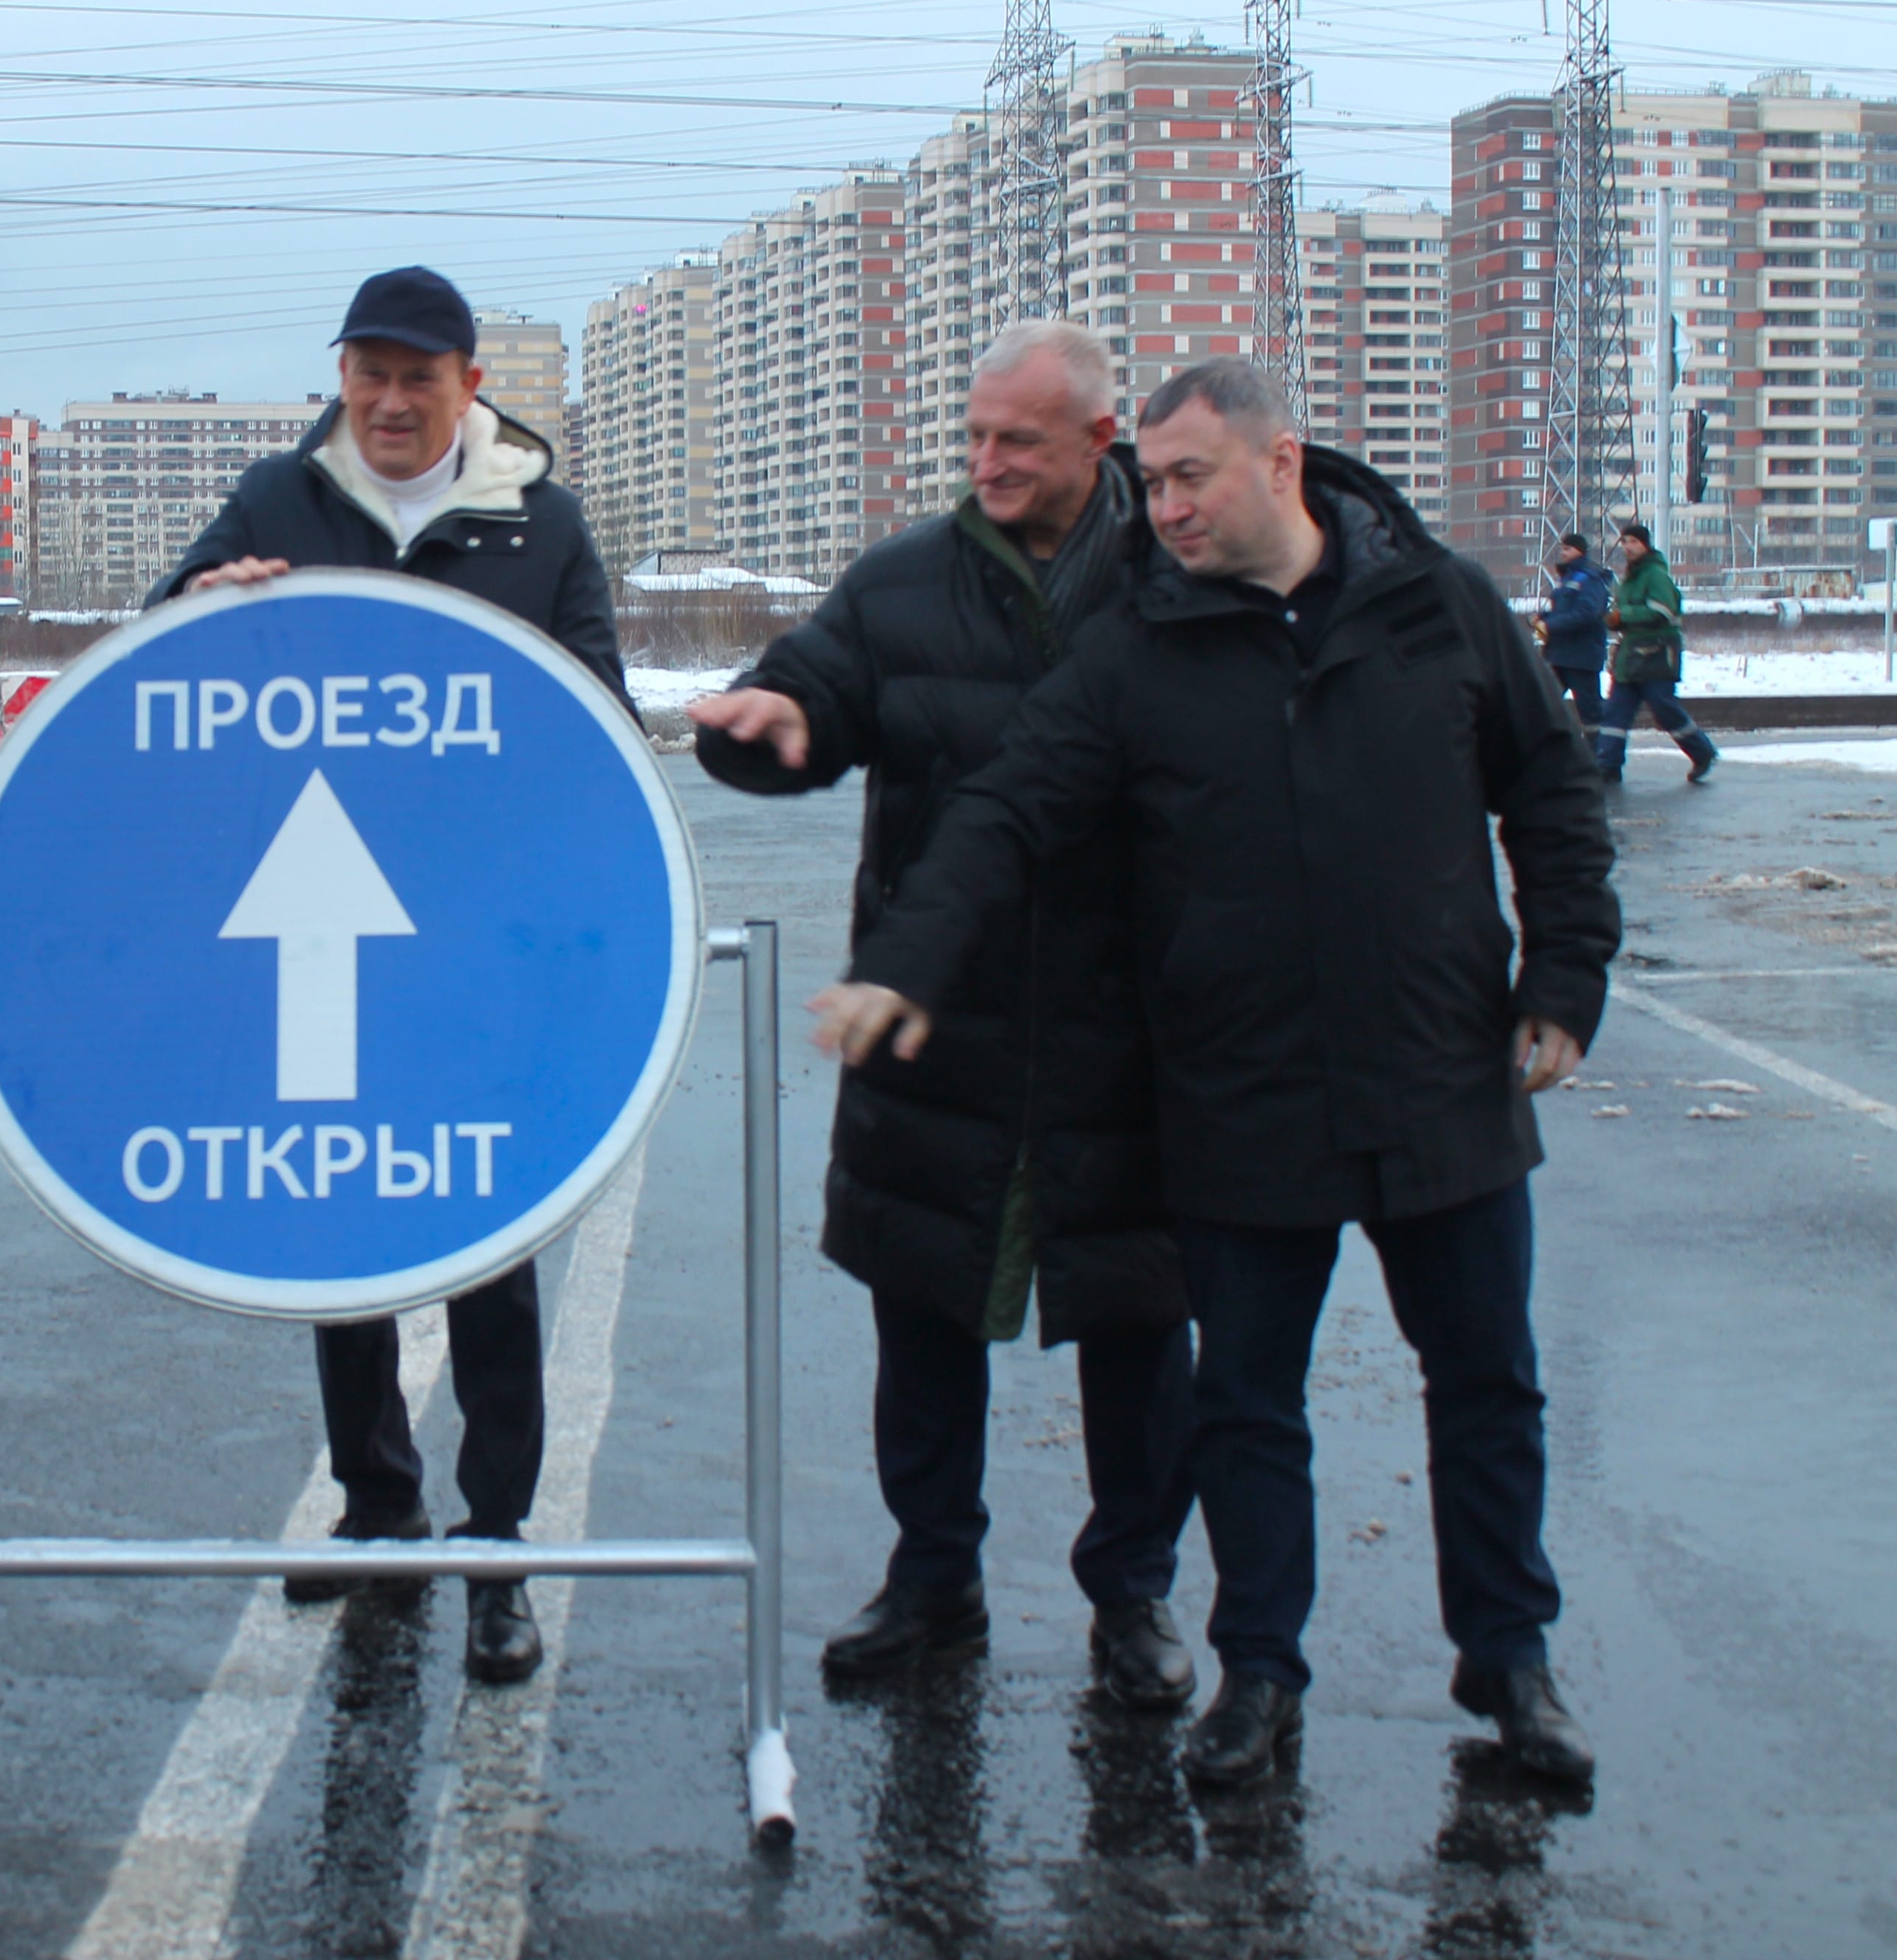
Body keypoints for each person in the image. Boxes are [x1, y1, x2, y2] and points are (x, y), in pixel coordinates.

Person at [828, 359, 1616, 1787]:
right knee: (1248, 1405)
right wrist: (907, 958)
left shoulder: (1438, 606)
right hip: (1237, 1092)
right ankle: (1259, 1671)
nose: (1166, 508)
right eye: (1152, 482)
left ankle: (1510, 1657)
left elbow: (1550, 786)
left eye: (1189, 477)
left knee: (1487, 1383)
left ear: (1281, 463)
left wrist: (1563, 976)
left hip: (1440, 1075)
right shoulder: (1139, 649)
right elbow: (1005, 811)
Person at [689, 320, 1196, 1709]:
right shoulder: (903, 580)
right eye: (973, 437)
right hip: (932, 1013)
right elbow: (814, 687)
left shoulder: (1176, 579)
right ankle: (932, 1580)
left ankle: (1134, 1592)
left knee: (1140, 1321)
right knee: (922, 1312)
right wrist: (771, 726)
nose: (986, 463)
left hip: (1130, 1026)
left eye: (1018, 441)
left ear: (1101, 443)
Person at [149, 265, 618, 1689]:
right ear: (341, 377)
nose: (393, 400)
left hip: (474, 945)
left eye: (421, 375)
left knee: (486, 1244)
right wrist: (200, 601)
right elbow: (161, 647)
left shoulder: (538, 521)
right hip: (320, 931)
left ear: (470, 385)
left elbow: (594, 715)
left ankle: (496, 1546)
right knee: (340, 1227)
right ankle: (376, 1506)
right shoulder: (277, 499)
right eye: (371, 372)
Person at [1594, 521, 1715, 783]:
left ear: (1646, 545)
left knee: (1664, 708)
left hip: (1657, 654)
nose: (1628, 547)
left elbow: (1664, 610)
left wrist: (1624, 615)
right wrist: (1614, 620)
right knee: (1616, 711)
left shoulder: (1655, 575)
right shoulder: (1629, 578)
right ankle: (1608, 765)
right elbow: (1626, 612)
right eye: (1624, 542)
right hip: (1630, 657)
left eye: (1634, 542)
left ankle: (1702, 752)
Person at [1535, 532, 1610, 719]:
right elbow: (1563, 611)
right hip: (1560, 654)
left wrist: (1550, 625)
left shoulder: (1590, 578)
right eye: (1562, 548)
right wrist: (1542, 618)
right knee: (1543, 704)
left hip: (1582, 656)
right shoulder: (1567, 579)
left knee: (1589, 710)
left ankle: (1596, 739)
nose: (1563, 553)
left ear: (1580, 551)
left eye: (1567, 549)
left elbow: (1586, 613)